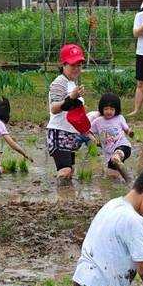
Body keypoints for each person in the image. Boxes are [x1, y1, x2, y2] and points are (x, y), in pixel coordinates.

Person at [47, 44, 87, 185]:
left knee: (70, 172)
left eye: (79, 65)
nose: (76, 68)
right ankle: (58, 200)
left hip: (71, 133)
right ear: (63, 64)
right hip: (59, 132)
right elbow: (54, 108)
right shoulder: (59, 82)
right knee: (65, 171)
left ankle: (66, 201)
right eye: (73, 65)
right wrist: (72, 98)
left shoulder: (72, 83)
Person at [90, 92, 134, 183]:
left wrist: (130, 132)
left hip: (123, 146)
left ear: (116, 109)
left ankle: (129, 180)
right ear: (101, 109)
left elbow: (126, 129)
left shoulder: (119, 118)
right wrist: (93, 139)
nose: (109, 111)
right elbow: (87, 131)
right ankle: (127, 183)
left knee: (116, 157)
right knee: (112, 176)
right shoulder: (97, 121)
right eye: (106, 109)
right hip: (109, 152)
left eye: (112, 109)